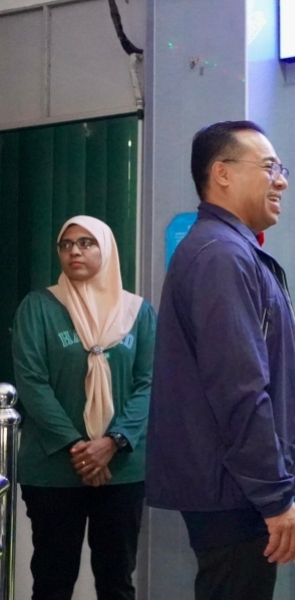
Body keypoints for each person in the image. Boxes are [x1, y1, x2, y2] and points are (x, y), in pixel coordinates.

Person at [145, 120, 295, 600]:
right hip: (236, 491)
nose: (281, 182)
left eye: (281, 170)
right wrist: (275, 496)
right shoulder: (221, 255)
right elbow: (239, 390)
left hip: (236, 486)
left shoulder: (227, 249)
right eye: (269, 168)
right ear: (222, 173)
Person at [12, 215, 156, 600]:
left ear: (106, 249)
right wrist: (79, 447)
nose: (74, 251)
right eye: (66, 244)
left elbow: (150, 382)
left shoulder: (138, 312)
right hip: (54, 469)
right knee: (53, 582)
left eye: (86, 243)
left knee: (116, 582)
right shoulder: (39, 307)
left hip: (121, 469)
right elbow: (32, 381)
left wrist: (112, 442)